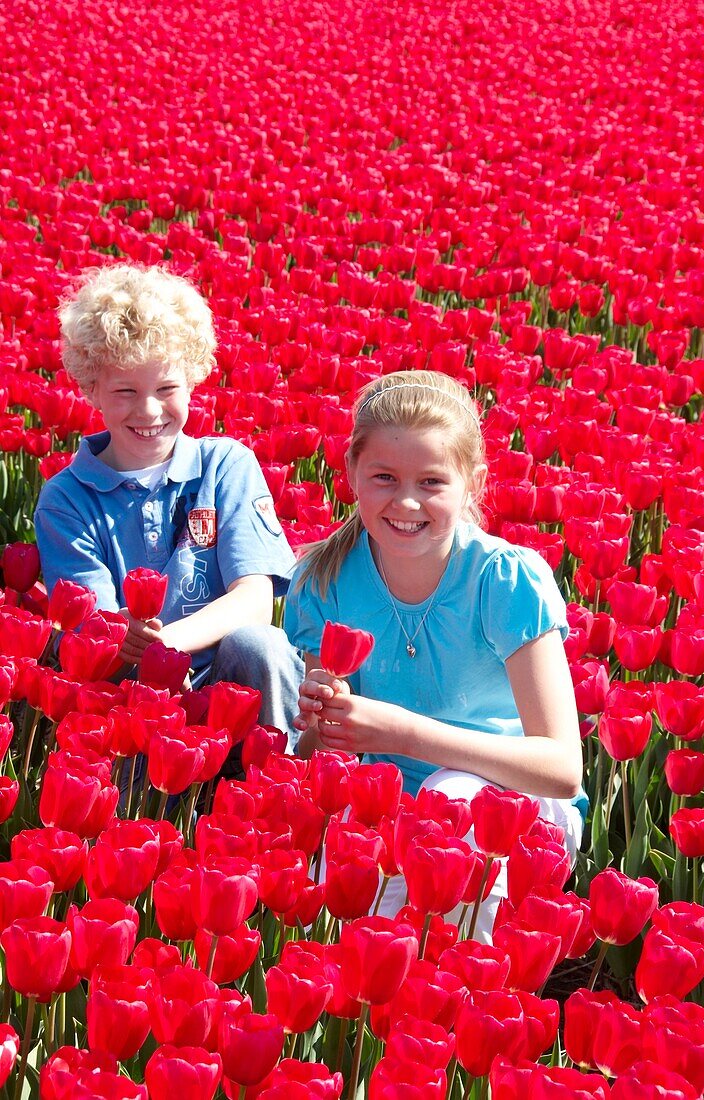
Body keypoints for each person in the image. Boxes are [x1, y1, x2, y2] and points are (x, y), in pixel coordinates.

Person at [284, 369, 585, 937]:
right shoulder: (324, 581)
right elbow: (317, 747)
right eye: (384, 477)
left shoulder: (503, 581)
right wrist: (325, 721)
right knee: (346, 916)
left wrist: (401, 734)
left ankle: (471, 985)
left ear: (472, 482)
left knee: (449, 803)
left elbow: (564, 771)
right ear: (350, 472)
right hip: (385, 805)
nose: (406, 501)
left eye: (431, 482)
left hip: (510, 811)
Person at [35, 264, 302, 739]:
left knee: (261, 644)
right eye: (126, 391)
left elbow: (255, 599)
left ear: (194, 379)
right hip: (136, 698)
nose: (150, 410)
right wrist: (155, 663)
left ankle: (279, 782)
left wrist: (168, 644)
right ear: (91, 388)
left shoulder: (224, 465)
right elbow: (99, 633)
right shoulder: (66, 500)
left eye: (166, 388)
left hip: (228, 679)